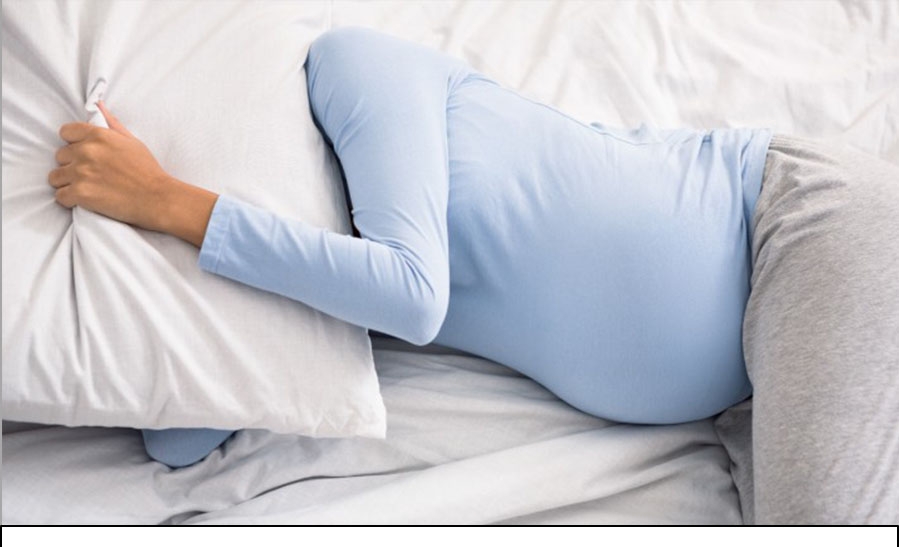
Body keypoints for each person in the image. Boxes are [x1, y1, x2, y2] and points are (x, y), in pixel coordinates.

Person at [48, 27, 898, 524]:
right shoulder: (310, 254)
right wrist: (162, 239)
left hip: (795, 228)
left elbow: (413, 296)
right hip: (758, 368)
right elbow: (177, 437)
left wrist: (169, 202)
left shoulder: (351, 64)